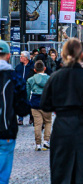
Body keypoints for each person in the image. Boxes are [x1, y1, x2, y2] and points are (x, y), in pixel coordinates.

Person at [41, 38, 83, 183]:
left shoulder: (55, 77)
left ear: (63, 55)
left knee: (62, 171)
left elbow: (45, 105)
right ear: (82, 55)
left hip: (62, 126)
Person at [0, 40, 30, 183]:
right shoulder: (15, 77)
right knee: (2, 174)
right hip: (6, 130)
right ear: (8, 56)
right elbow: (23, 109)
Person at [26, 61, 51, 151]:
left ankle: (38, 144)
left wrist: (27, 102)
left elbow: (28, 93)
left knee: (37, 124)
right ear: (44, 68)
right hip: (47, 102)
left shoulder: (31, 80)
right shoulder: (50, 79)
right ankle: (46, 141)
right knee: (48, 122)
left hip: (35, 102)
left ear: (35, 70)